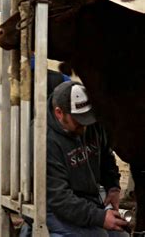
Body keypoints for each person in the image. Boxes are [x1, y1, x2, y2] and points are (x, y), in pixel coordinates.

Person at [0, 63, 70, 198]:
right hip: (58, 160)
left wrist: (1, 132)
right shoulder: (64, 83)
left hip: (12, 165)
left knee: (10, 194)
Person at [44, 81, 129, 236]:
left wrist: (113, 187)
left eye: (87, 119)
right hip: (53, 208)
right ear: (59, 113)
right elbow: (59, 198)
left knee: (121, 235)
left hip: (87, 201)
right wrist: (99, 217)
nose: (84, 127)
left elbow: (105, 155)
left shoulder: (92, 125)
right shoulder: (45, 139)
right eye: (79, 121)